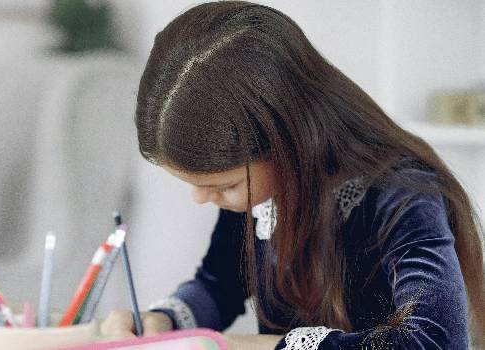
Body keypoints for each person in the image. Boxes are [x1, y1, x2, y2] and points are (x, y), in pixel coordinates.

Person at [101, 2, 485, 349]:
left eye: (224, 185)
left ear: (287, 141)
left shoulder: (402, 195)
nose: (200, 198)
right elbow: (218, 286)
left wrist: (270, 346)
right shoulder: (258, 197)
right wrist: (162, 320)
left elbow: (437, 341)